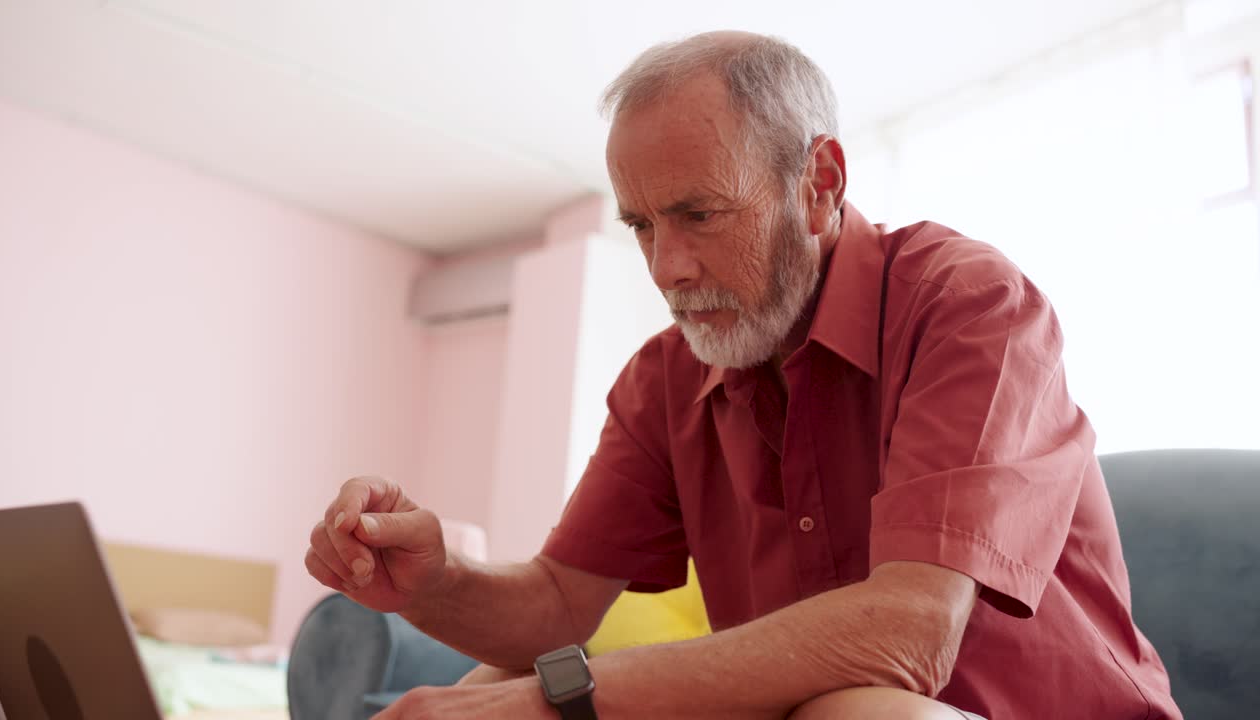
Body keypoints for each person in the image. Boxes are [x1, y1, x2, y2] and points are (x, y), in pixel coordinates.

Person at [305, 31, 1182, 720]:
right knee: (474, 688)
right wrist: (436, 583)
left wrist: (554, 701)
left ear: (820, 183)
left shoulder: (969, 303)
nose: (667, 267)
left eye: (698, 214)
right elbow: (558, 603)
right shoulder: (662, 380)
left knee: (860, 712)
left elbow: (908, 634)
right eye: (642, 225)